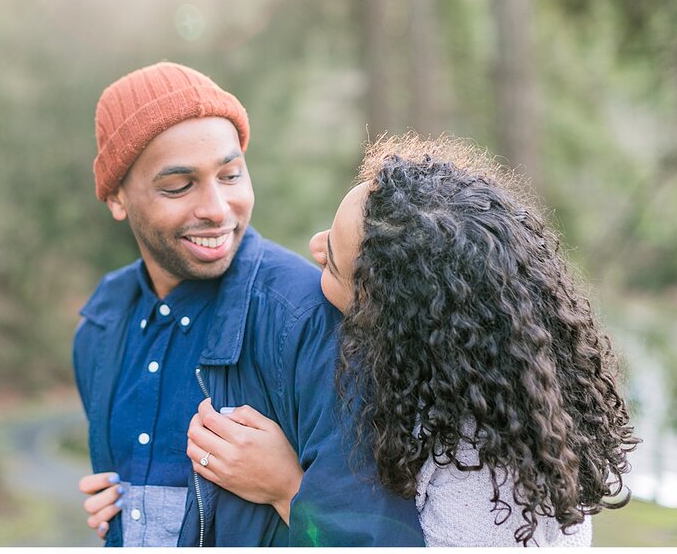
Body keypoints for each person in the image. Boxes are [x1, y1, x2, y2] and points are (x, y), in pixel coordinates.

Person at [187, 133, 640, 546]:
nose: (314, 245)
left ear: (385, 316)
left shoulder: (481, 474)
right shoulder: (509, 396)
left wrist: (285, 487)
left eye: (333, 265)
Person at [72, 62, 425, 547]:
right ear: (116, 197)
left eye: (231, 174)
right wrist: (132, 506)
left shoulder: (306, 316)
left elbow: (384, 536)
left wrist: (287, 491)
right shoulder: (101, 328)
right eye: (179, 186)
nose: (216, 209)